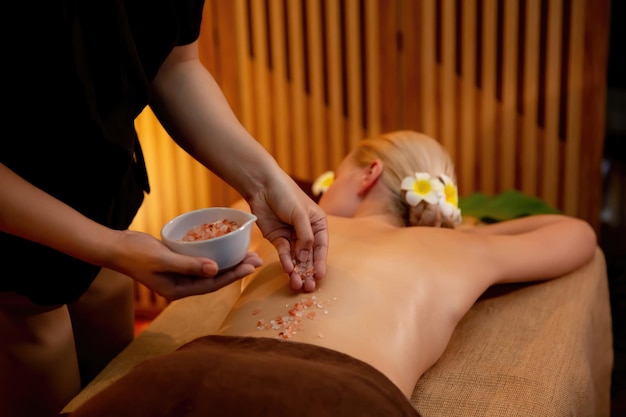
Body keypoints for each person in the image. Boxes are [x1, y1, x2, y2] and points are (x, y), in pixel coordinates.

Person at [67, 130, 597, 417]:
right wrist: (472, 232)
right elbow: (575, 232)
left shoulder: (267, 227)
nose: (318, 196)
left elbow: (244, 200)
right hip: (343, 395)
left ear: (367, 175)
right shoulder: (460, 252)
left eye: (332, 177)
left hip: (193, 373)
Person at [0, 1, 328, 417]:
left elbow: (175, 65)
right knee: (41, 335)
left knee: (114, 361)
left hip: (104, 193)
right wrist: (112, 247)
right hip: (16, 243)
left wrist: (265, 182)